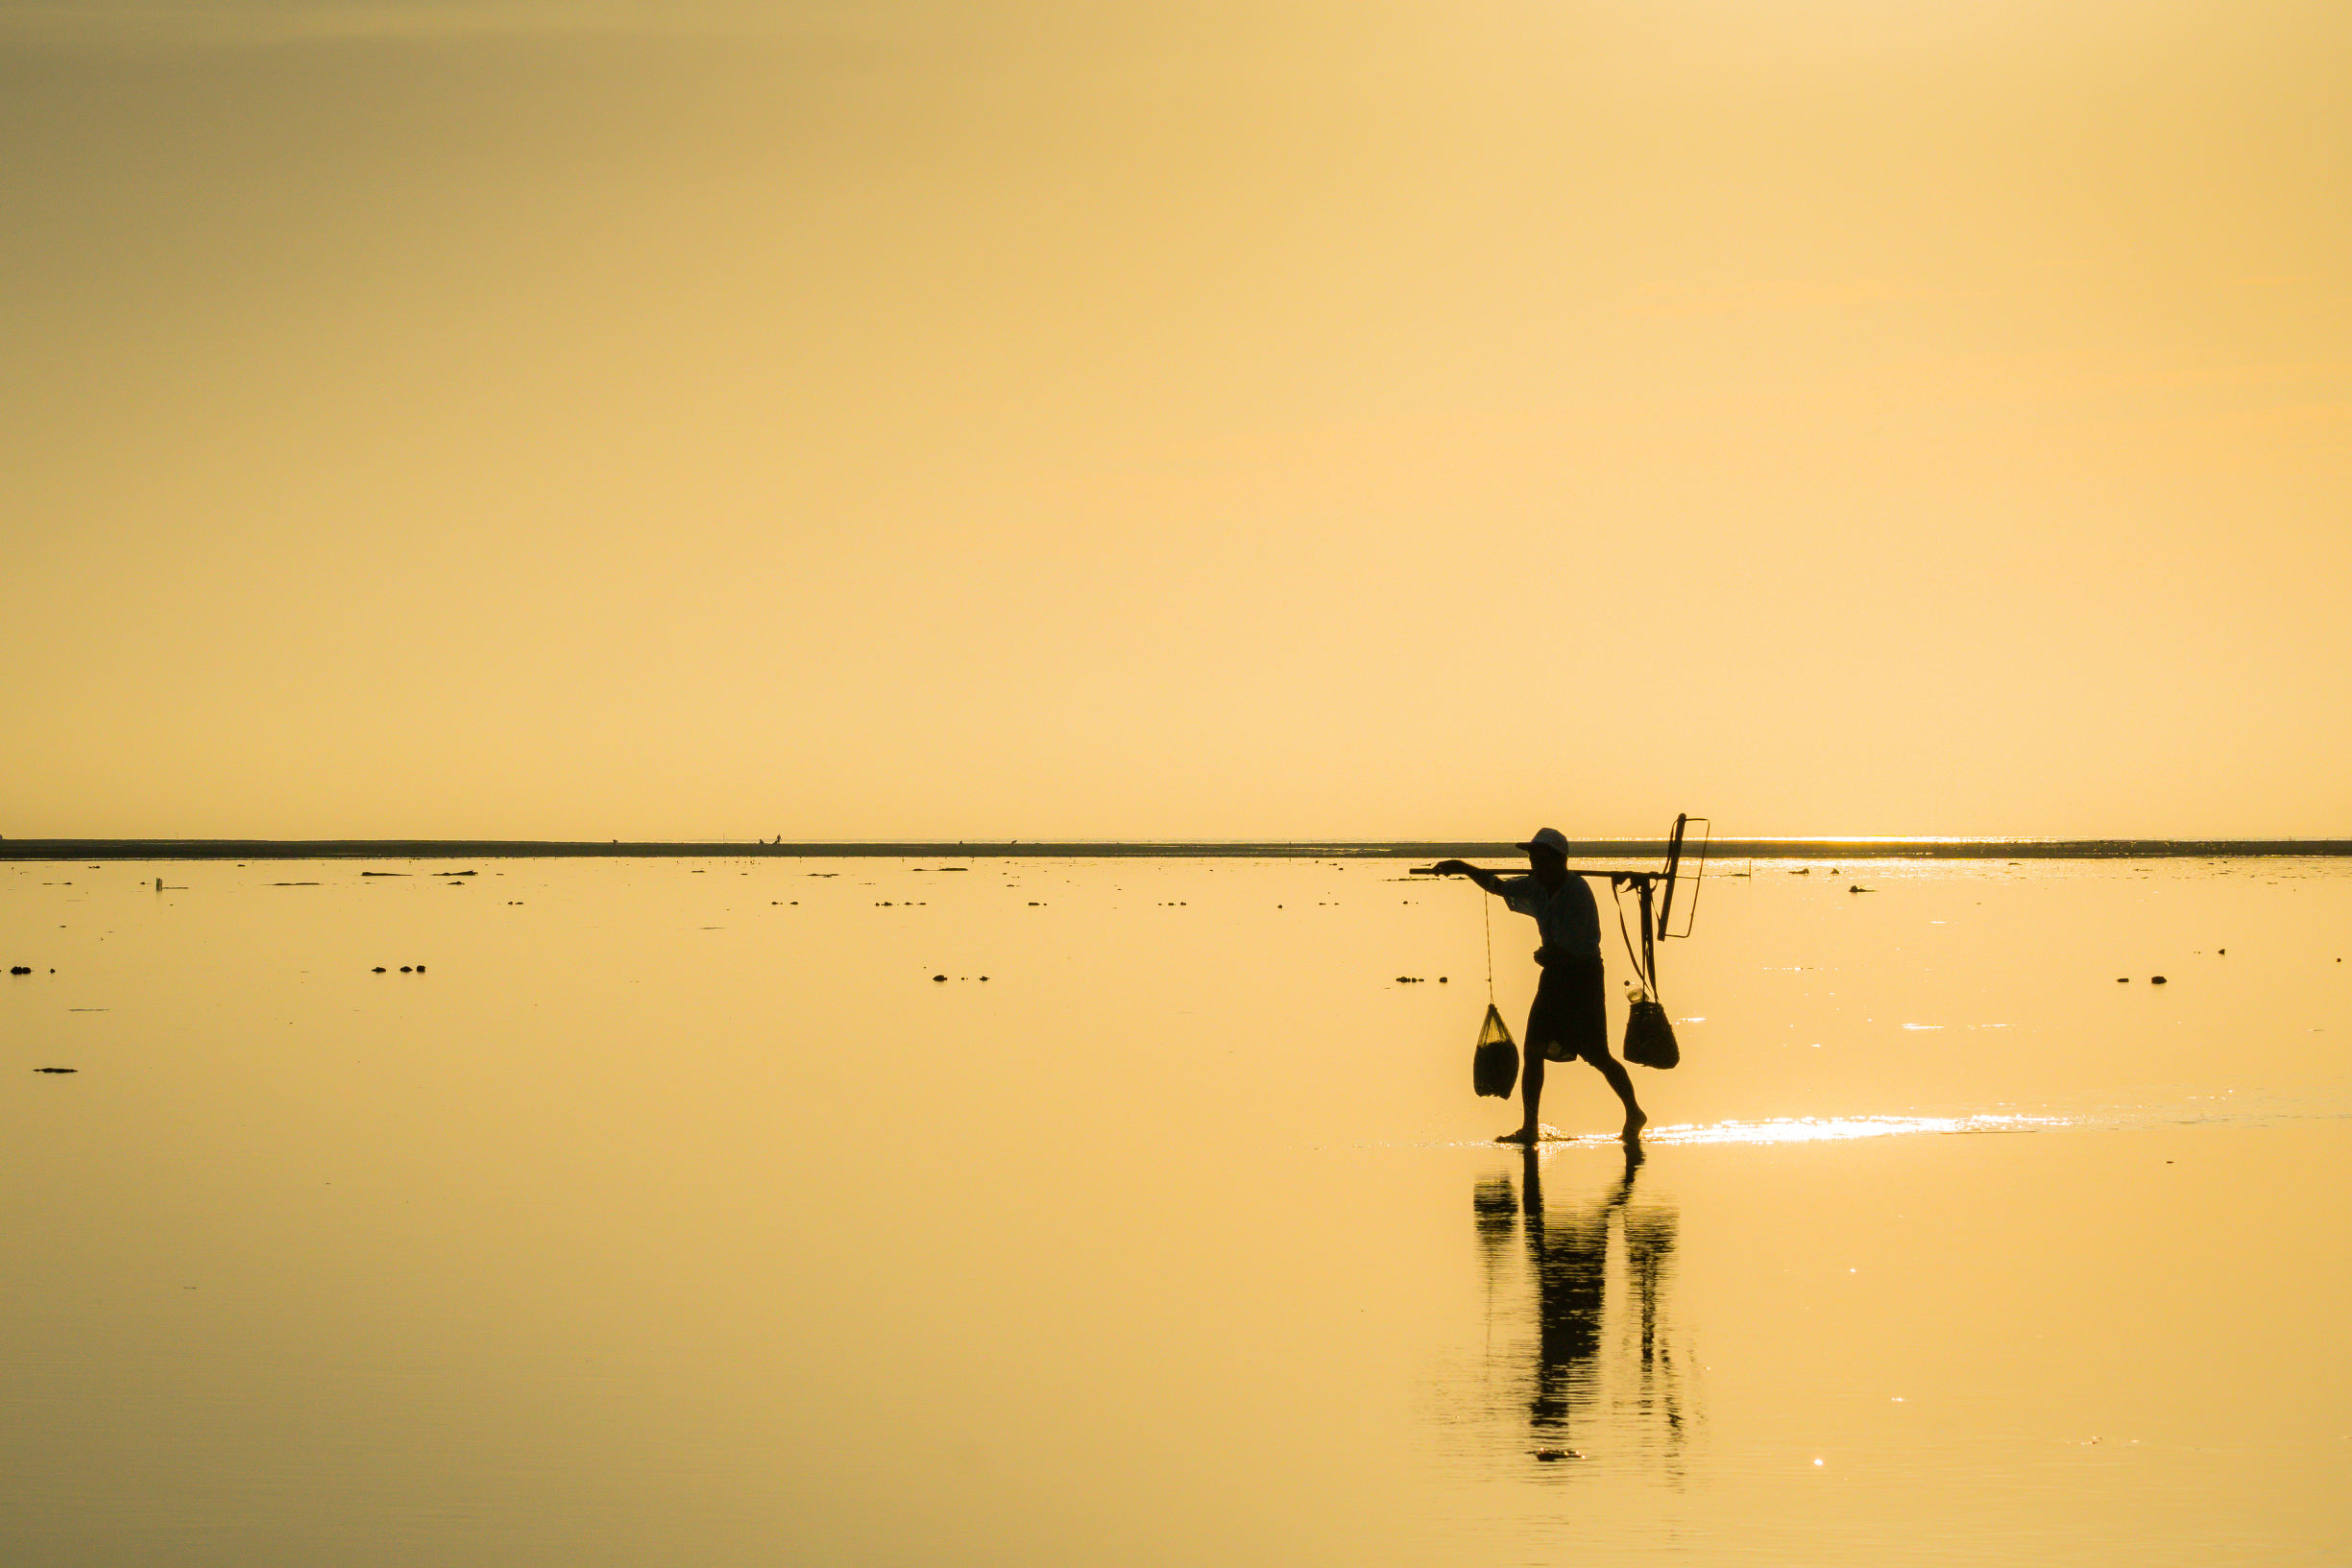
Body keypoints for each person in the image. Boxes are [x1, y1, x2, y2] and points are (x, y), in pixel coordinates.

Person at [1433, 828, 1647, 1145]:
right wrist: (1464, 868)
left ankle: (1634, 1112)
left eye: (1541, 857)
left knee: (1598, 1054)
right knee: (1532, 1049)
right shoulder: (1534, 886)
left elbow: (1579, 946)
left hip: (1582, 978)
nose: (1534, 863)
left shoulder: (1578, 893)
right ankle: (1530, 1126)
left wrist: (1550, 954)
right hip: (1553, 977)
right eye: (1532, 857)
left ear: (1559, 860)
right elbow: (1498, 887)